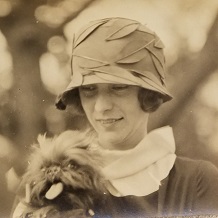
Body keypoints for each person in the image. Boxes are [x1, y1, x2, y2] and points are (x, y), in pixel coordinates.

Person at [14, 17, 218, 217]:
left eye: (119, 88)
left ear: (147, 94)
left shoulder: (195, 181)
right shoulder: (44, 186)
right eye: (89, 90)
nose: (102, 107)